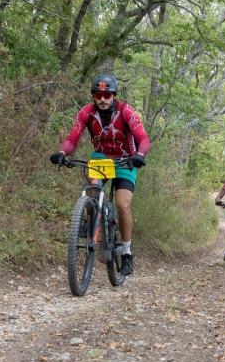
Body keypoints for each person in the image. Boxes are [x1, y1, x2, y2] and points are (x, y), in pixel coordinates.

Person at [49, 73, 150, 276]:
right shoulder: (86, 112)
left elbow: (143, 139)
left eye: (107, 95)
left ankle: (127, 252)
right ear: (93, 95)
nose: (102, 99)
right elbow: (72, 138)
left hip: (125, 160)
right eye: (98, 95)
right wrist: (61, 153)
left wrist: (140, 155)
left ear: (114, 95)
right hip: (101, 158)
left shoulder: (126, 112)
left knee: (123, 204)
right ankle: (90, 218)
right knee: (93, 191)